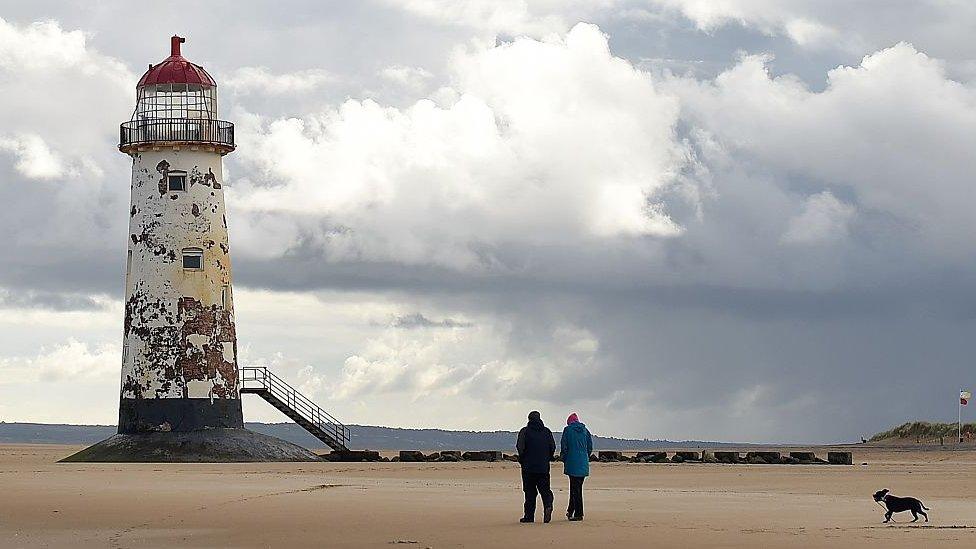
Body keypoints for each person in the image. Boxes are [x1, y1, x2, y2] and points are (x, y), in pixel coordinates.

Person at [516, 410, 555, 523]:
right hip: (543, 467)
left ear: (529, 419)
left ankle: (529, 516)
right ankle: (548, 505)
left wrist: (522, 459)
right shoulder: (546, 432)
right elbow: (552, 446)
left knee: (530, 492)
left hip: (528, 467)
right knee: (545, 490)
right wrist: (548, 457)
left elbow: (520, 446)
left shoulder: (524, 431)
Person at [560, 412, 593, 521]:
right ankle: (570, 511)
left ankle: (578, 513)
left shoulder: (567, 430)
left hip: (572, 461)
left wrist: (564, 459)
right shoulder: (585, 431)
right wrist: (585, 457)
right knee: (576, 488)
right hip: (583, 462)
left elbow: (564, 447)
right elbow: (590, 448)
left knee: (575, 489)